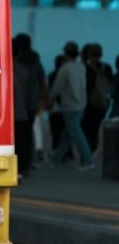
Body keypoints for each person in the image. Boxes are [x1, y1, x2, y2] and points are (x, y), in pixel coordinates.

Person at [48, 41, 94, 171]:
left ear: (65, 53)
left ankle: (89, 160)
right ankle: (55, 159)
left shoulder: (65, 69)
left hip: (69, 106)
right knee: (67, 135)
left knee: (77, 134)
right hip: (81, 105)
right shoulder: (82, 67)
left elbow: (57, 87)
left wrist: (50, 100)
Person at [12, 34, 45, 178]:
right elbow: (42, 79)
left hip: (17, 109)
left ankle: (22, 164)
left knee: (19, 137)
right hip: (29, 105)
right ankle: (27, 163)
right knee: (26, 135)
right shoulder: (33, 61)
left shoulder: (13, 66)